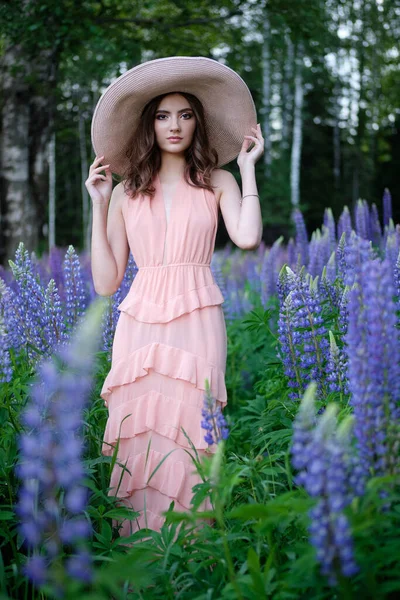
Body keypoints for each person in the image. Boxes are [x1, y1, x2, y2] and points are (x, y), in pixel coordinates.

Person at [86, 56, 264, 536]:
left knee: (194, 433)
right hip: (139, 320)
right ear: (149, 124)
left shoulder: (217, 181)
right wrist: (99, 203)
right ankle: (141, 558)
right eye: (163, 115)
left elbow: (247, 237)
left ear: (198, 123)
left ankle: (193, 555)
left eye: (185, 115)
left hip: (198, 316)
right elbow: (106, 283)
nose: (174, 125)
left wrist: (247, 169)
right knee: (140, 436)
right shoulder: (126, 193)